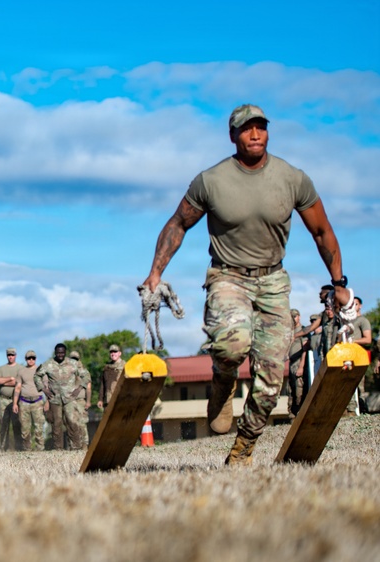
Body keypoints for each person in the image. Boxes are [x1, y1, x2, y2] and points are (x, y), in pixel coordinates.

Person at [142, 104, 350, 465]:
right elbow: (178, 224)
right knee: (232, 344)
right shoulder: (211, 180)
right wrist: (155, 273)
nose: (254, 134)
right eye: (246, 129)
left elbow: (321, 230)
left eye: (260, 127)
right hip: (227, 275)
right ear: (232, 135)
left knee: (271, 378)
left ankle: (243, 448)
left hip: (273, 279)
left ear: (268, 132)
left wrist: (339, 282)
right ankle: (222, 384)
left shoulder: (292, 178)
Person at [37, 343, 87, 450]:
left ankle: (76, 447)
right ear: (55, 352)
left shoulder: (73, 363)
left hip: (69, 399)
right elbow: (37, 375)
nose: (60, 355)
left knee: (72, 422)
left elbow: (86, 375)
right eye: (58, 353)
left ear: (65, 352)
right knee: (56, 424)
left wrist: (79, 389)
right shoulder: (48, 364)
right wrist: (44, 389)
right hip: (55, 399)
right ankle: (58, 449)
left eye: (62, 353)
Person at [11, 350, 47, 451]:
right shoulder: (21, 371)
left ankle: (40, 449)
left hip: (38, 402)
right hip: (24, 402)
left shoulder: (41, 370)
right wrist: (15, 403)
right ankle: (27, 449)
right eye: (29, 358)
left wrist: (47, 401)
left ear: (35, 359)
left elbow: (46, 387)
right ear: (26, 359)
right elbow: (18, 387)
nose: (31, 360)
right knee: (25, 429)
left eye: (33, 358)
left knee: (39, 427)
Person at [0, 348, 22, 450]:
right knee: (3, 425)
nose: (11, 357)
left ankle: (18, 447)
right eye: (9, 355)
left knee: (17, 424)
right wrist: (10, 378)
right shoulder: (1, 368)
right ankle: (4, 447)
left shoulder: (20, 368)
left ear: (16, 355)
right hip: (3, 400)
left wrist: (4, 382)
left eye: (12, 355)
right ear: (7, 356)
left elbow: (19, 383)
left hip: (16, 401)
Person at [287, 309, 311, 418]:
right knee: (290, 391)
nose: (293, 319)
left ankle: (300, 415)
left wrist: (301, 366)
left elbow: (305, 349)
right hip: (291, 364)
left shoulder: (302, 330)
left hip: (299, 363)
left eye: (295, 316)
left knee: (299, 391)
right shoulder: (289, 332)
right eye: (291, 317)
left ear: (299, 317)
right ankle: (292, 415)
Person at [97, 344, 125, 409]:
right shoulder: (107, 367)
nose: (113, 354)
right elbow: (103, 384)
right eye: (111, 352)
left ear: (119, 353)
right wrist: (100, 399)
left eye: (115, 352)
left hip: (120, 400)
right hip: (108, 401)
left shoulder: (125, 366)